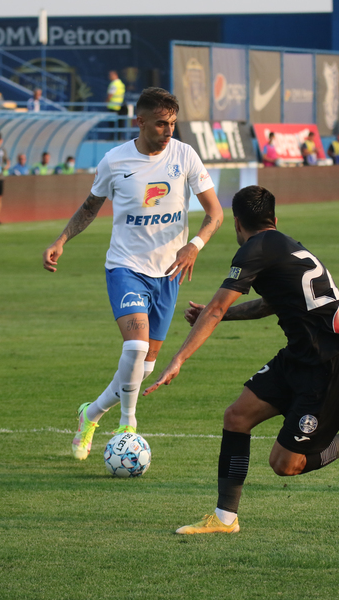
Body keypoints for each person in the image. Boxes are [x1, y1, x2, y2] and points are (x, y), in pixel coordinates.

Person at [144, 185, 339, 534]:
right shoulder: (284, 246)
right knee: (236, 416)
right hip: (300, 358)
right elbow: (269, 304)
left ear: (237, 223)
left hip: (328, 367)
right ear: (274, 218)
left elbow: (215, 307)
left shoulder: (254, 249)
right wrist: (223, 316)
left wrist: (177, 359)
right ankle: (225, 519)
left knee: (285, 465)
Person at [42, 86, 223, 460]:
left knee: (144, 368)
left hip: (169, 273)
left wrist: (195, 246)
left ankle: (90, 414)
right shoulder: (114, 161)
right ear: (139, 122)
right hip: (126, 267)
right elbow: (90, 207)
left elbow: (215, 214)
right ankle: (129, 425)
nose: (168, 131)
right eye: (160, 124)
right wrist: (62, 239)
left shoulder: (185, 155)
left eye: (172, 123)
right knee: (136, 347)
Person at [107, 70, 127, 139]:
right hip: (119, 106)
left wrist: (106, 101)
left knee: (112, 124)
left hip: (113, 107)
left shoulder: (114, 84)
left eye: (110, 76)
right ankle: (118, 137)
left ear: (115, 75)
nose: (109, 77)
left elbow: (110, 95)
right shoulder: (121, 84)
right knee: (119, 124)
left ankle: (112, 138)